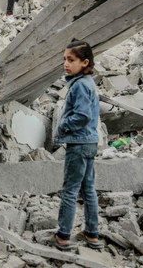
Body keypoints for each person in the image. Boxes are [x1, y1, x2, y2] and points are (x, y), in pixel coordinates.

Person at [53, 39, 103, 251]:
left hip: (79, 143)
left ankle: (63, 235)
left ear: (84, 62)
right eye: (65, 59)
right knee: (88, 188)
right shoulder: (87, 83)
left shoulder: (80, 86)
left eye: (71, 60)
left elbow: (82, 116)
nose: (66, 64)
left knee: (70, 190)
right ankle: (92, 233)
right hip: (90, 141)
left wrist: (63, 126)